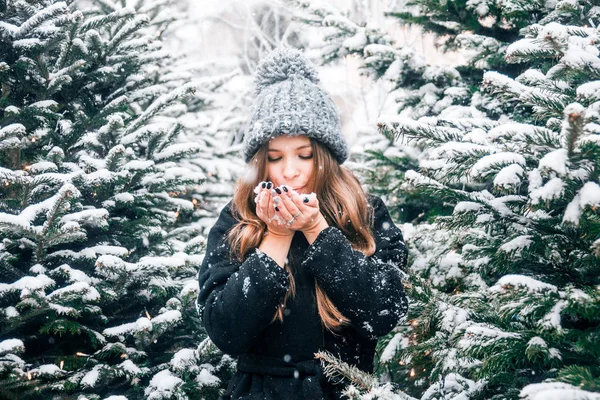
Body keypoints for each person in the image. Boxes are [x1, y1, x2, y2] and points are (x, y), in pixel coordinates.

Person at [197, 46, 409, 400]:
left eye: (304, 155)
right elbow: (226, 331)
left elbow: (385, 312)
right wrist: (275, 238)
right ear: (260, 161)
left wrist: (317, 232)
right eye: (275, 157)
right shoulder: (238, 219)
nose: (290, 171)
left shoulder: (364, 212)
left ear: (324, 156)